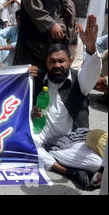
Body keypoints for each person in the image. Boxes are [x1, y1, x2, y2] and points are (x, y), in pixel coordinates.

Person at [31, 15, 103, 190]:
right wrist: (22, 75)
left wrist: (91, 49)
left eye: (61, 61)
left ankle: (55, 160)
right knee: (26, 146)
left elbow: (93, 70)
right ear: (46, 63)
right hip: (44, 137)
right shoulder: (37, 77)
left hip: (72, 141)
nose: (57, 65)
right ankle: (66, 170)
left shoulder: (81, 80)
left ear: (70, 61)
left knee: (95, 162)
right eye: (52, 62)